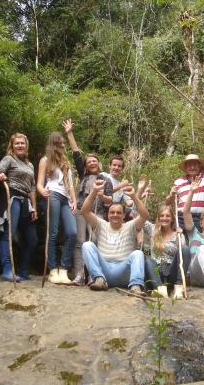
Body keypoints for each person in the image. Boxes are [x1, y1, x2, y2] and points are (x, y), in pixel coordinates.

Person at [62, 119, 112, 285]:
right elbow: (76, 154)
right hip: (81, 210)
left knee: (94, 242)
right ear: (85, 165)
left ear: (99, 164)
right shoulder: (84, 176)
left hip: (97, 213)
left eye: (94, 161)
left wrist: (100, 195)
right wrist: (69, 133)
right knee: (79, 242)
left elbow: (109, 200)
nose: (91, 162)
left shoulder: (105, 178)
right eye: (89, 161)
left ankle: (93, 274)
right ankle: (79, 274)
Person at [80, 179, 150, 295]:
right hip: (104, 271)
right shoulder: (101, 225)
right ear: (108, 215)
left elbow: (144, 215)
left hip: (123, 272)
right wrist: (94, 191)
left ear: (123, 216)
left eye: (118, 213)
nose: (115, 215)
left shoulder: (130, 226)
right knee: (87, 245)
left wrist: (133, 196)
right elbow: (85, 211)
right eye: (112, 212)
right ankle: (99, 279)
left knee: (138, 253)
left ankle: (135, 286)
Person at [0, 133, 38, 281]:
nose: (20, 146)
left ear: (26, 146)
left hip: (26, 203)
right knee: (9, 234)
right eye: (17, 143)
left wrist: (34, 207)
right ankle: (7, 271)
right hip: (12, 197)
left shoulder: (30, 165)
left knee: (32, 239)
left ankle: (23, 271)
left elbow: (32, 188)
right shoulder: (9, 159)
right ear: (12, 146)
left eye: (22, 143)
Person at [37, 131, 77, 285]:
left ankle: (64, 269)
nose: (63, 144)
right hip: (52, 194)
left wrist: (73, 201)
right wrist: (42, 191)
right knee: (52, 233)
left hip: (66, 198)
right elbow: (39, 183)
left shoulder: (65, 162)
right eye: (61, 142)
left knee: (72, 232)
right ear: (55, 143)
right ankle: (53, 270)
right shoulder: (45, 160)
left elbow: (70, 185)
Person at [166, 131, 204, 232]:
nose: (192, 167)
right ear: (185, 167)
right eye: (189, 165)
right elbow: (168, 202)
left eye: (195, 164)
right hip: (181, 217)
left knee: (197, 245)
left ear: (199, 166)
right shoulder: (178, 181)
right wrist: (171, 195)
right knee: (183, 245)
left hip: (199, 218)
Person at [142, 206, 191, 299]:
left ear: (172, 218)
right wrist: (137, 194)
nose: (164, 218)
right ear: (158, 218)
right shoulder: (152, 229)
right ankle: (160, 289)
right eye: (162, 215)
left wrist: (180, 236)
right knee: (147, 258)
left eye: (167, 216)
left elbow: (183, 256)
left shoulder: (178, 235)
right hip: (156, 272)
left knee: (185, 249)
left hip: (171, 272)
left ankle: (179, 287)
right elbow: (138, 215)